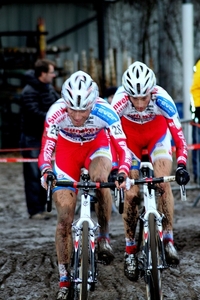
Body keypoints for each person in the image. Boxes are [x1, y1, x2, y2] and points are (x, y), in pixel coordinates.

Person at [38, 71, 132, 299]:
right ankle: (64, 278)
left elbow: (123, 148)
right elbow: (46, 150)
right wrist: (46, 170)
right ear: (65, 103)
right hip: (67, 153)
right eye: (73, 109)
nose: (78, 116)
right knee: (64, 220)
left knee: (101, 181)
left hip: (96, 147)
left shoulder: (105, 111)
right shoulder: (56, 112)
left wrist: (123, 170)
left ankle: (104, 237)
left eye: (83, 110)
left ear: (93, 103)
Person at [111, 61, 190, 282]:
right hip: (130, 143)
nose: (138, 103)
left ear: (151, 92)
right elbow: (109, 138)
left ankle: (168, 238)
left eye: (143, 97)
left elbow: (180, 140)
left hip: (157, 138)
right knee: (130, 193)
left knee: (164, 184)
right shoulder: (119, 101)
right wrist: (117, 168)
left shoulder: (162, 98)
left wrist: (182, 164)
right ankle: (129, 250)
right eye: (133, 98)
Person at [20, 58, 60, 219]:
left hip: (45, 138)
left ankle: (43, 207)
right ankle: (34, 210)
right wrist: (54, 118)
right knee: (32, 175)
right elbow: (34, 114)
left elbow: (58, 103)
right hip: (32, 140)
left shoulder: (48, 88)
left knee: (46, 173)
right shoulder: (29, 91)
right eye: (51, 72)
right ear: (43, 73)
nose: (54, 75)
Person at [190, 58, 200, 184]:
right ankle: (198, 176)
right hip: (198, 111)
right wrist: (196, 110)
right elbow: (195, 89)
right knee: (197, 146)